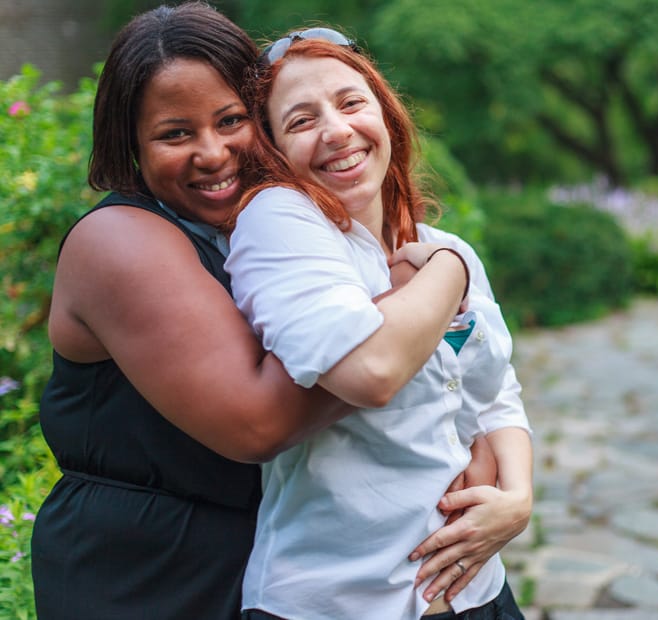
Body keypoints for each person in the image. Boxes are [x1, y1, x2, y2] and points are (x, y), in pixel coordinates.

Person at [29, 4, 498, 619]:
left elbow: (467, 383)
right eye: (175, 134)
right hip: (151, 572)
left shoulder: (280, 226)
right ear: (130, 145)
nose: (213, 152)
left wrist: (495, 473)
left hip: (274, 557)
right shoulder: (120, 241)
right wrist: (430, 286)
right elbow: (259, 424)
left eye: (231, 121)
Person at [225, 27, 533, 619]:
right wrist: (452, 271)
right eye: (301, 120)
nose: (337, 131)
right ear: (275, 153)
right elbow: (372, 371)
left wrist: (516, 500)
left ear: (384, 113)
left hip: (479, 594)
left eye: (350, 102)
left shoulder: (440, 247)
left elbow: (499, 394)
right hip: (338, 601)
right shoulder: (278, 225)